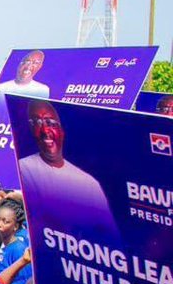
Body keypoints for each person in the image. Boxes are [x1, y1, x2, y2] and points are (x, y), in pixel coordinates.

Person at [17, 99, 117, 239]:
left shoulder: (90, 184)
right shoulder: (25, 168)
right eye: (37, 123)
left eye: (50, 123)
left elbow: (110, 234)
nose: (45, 130)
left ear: (62, 131)